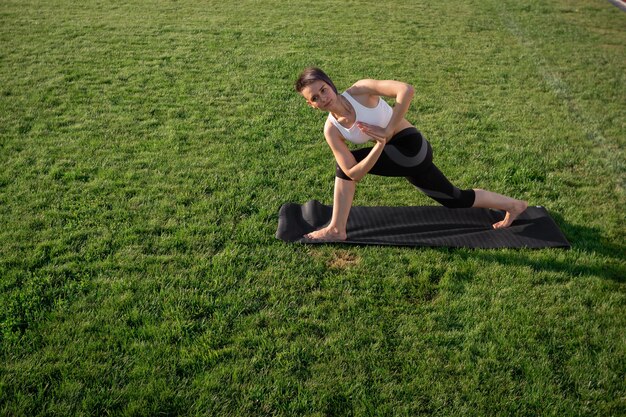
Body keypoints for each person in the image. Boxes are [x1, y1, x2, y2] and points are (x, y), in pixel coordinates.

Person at [294, 67, 528, 241]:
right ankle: (514, 205)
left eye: (323, 89)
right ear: (310, 104)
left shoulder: (361, 90)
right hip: (395, 154)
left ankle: (336, 229)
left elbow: (405, 90)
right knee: (454, 199)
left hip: (412, 148)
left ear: (330, 83)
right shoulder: (332, 130)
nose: (322, 98)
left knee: (342, 168)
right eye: (314, 98)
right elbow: (353, 173)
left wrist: (386, 131)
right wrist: (379, 145)